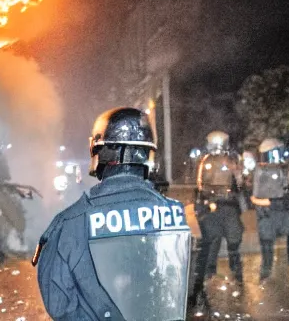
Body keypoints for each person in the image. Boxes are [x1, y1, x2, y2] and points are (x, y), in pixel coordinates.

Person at [33, 107, 192, 321]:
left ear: (102, 151)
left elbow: (59, 304)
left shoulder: (69, 223)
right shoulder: (175, 214)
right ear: (147, 154)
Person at [193, 131, 245, 292]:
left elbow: (240, 184)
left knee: (231, 242)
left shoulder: (230, 160)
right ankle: (212, 274)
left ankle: (236, 275)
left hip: (226, 206)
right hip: (214, 206)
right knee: (214, 241)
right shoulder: (206, 161)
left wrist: (236, 172)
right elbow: (200, 185)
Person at [251, 138, 289, 282]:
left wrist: (260, 202)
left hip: (269, 214)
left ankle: (268, 272)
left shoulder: (261, 171)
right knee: (288, 235)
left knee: (268, 242)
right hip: (277, 213)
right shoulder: (282, 171)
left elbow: (255, 194)